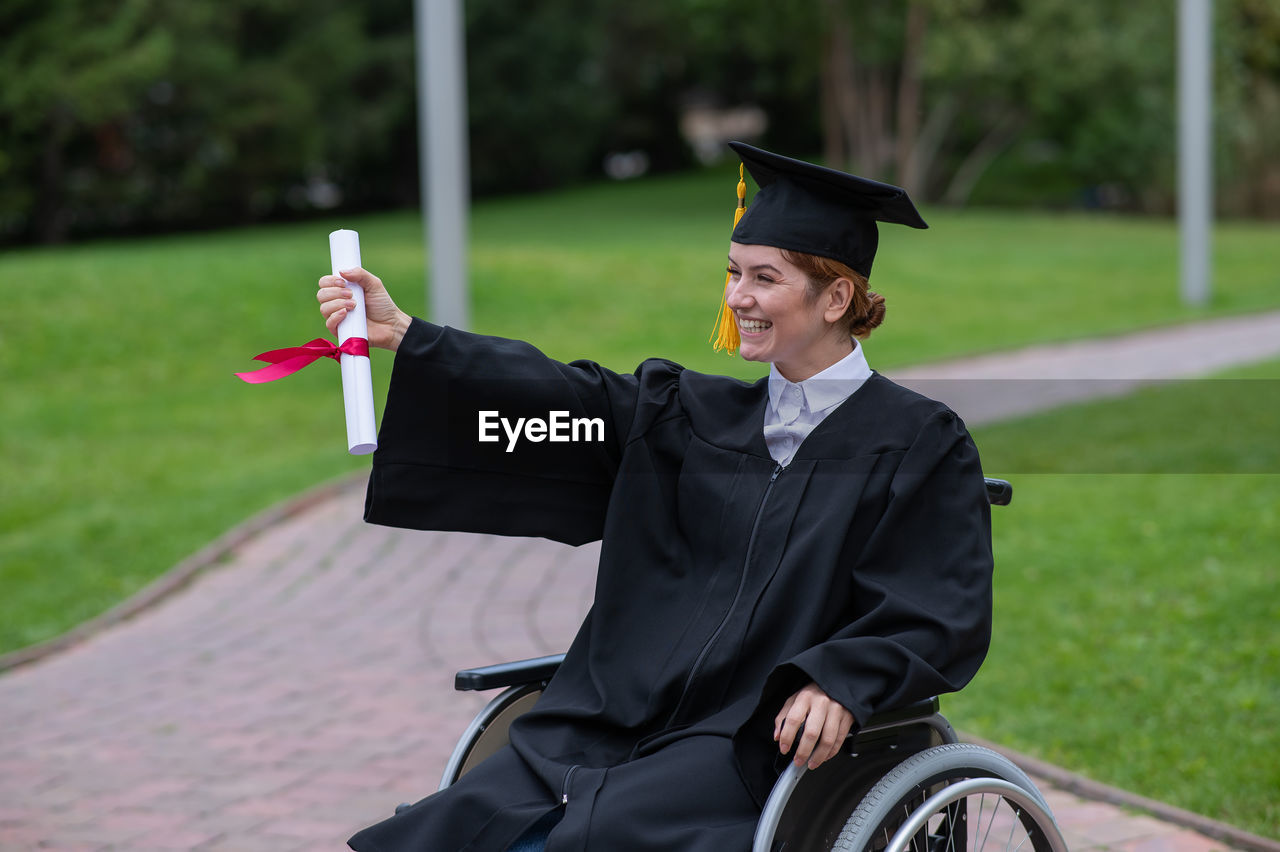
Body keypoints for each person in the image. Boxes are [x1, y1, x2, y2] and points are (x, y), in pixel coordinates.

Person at [318, 142, 994, 852]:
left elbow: (933, 606)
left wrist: (840, 680)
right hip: (614, 718)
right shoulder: (687, 417)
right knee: (444, 832)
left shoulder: (919, 441)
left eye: (765, 278)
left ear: (836, 297)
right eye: (733, 273)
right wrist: (414, 339)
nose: (737, 298)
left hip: (748, 744)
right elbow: (563, 397)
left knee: (598, 836)